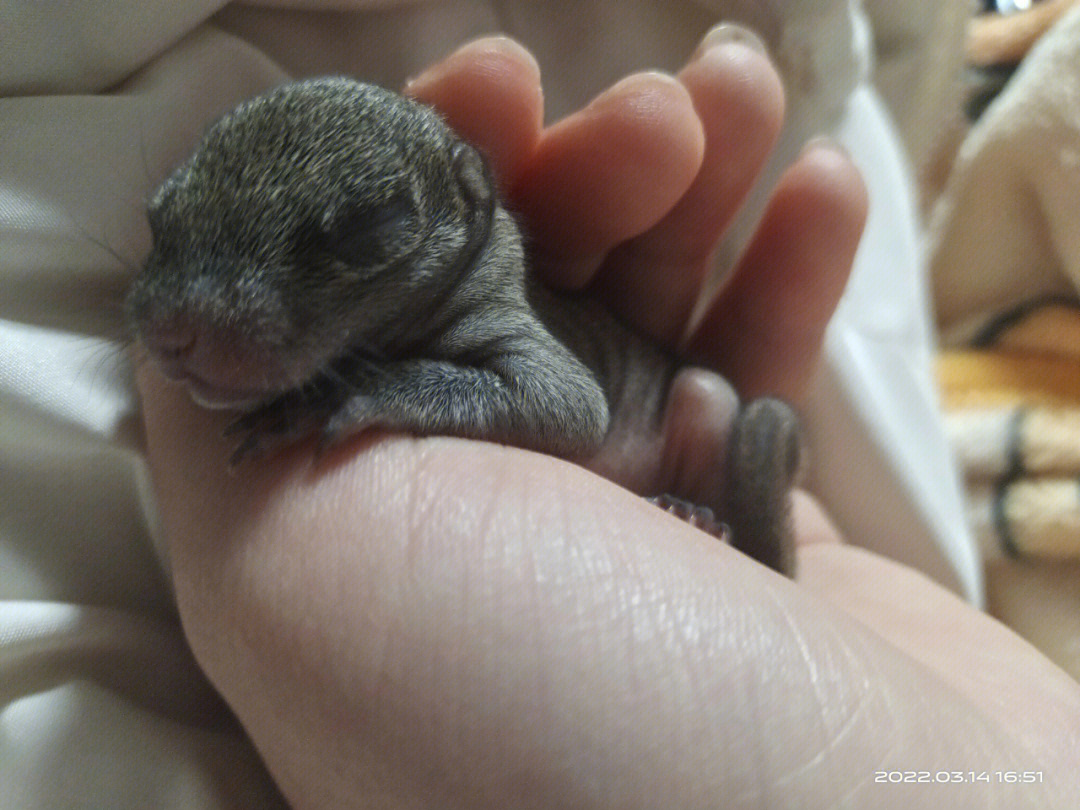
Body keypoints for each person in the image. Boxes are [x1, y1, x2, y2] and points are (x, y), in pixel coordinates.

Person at [137, 35, 1079, 808]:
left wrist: (383, 396)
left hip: (670, 446)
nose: (174, 329)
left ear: (464, 207)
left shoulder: (484, 308)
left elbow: (573, 407)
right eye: (168, 237)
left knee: (717, 408)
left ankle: (755, 534)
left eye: (343, 242)